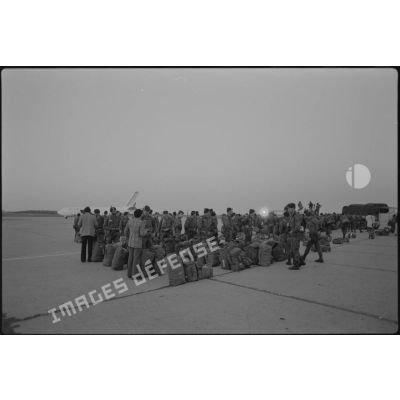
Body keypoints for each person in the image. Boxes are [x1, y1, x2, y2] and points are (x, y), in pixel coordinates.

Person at [125, 209, 147, 279]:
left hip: (130, 242)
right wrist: (146, 231)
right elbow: (141, 233)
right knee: (136, 259)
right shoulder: (141, 223)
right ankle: (135, 275)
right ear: (140, 214)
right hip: (137, 243)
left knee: (130, 258)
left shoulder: (130, 221)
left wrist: (129, 237)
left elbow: (125, 231)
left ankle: (129, 274)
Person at [286, 203, 304, 270]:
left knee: (294, 250)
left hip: (297, 235)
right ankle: (301, 261)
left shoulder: (297, 216)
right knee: (295, 249)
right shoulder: (292, 216)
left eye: (288, 208)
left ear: (292, 208)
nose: (288, 210)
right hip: (294, 235)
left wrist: (292, 231)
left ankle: (296, 265)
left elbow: (298, 226)